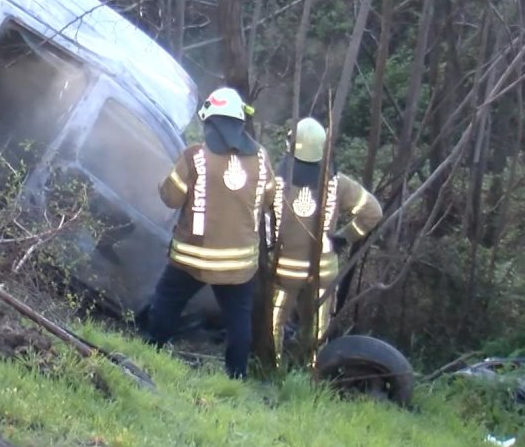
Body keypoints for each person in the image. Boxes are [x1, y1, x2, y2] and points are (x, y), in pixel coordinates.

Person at [143, 86, 275, 379]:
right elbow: (269, 200)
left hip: (193, 259)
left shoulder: (195, 157)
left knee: (166, 301)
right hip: (239, 265)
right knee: (239, 320)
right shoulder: (262, 160)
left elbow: (171, 198)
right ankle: (236, 377)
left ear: (210, 122)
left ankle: (150, 356)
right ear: (240, 123)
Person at [268, 117, 382, 366]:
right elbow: (373, 212)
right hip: (323, 270)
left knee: (274, 320)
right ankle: (315, 372)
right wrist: (345, 236)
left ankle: (271, 369)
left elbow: (259, 215)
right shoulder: (338, 183)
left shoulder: (276, 182)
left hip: (284, 267)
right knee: (320, 326)